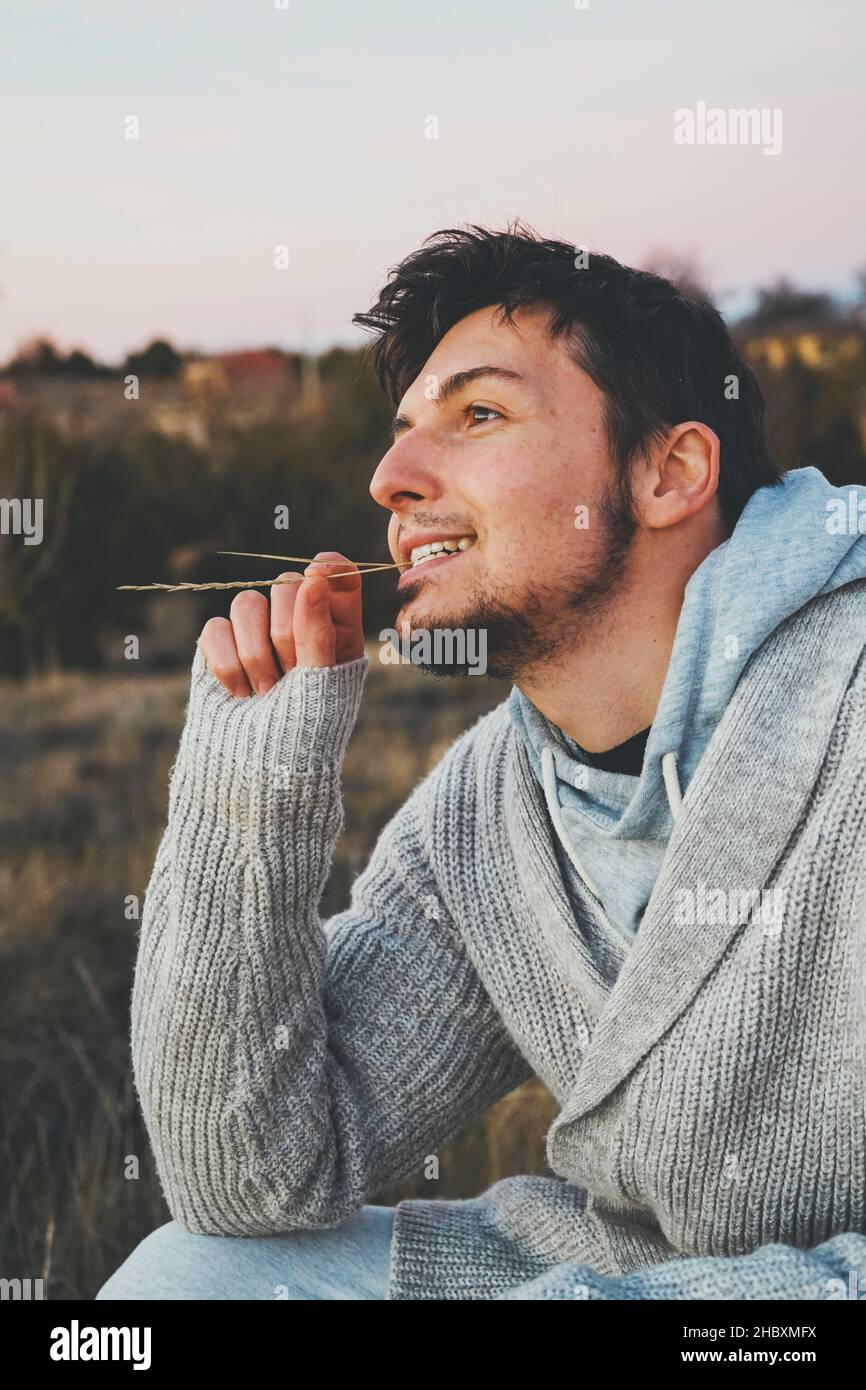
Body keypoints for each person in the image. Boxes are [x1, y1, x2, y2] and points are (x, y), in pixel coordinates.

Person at [97, 223, 866, 1301]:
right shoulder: (485, 811)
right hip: (630, 1274)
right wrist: (249, 788)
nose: (388, 478)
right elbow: (245, 1182)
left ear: (668, 471)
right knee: (192, 1274)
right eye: (402, 431)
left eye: (478, 415)